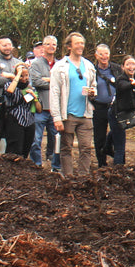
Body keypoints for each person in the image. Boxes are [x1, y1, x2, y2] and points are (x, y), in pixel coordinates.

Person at [49, 32, 96, 177]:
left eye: (82, 43)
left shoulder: (88, 65)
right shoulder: (60, 66)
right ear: (70, 46)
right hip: (67, 114)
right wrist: (56, 117)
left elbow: (94, 85)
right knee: (66, 147)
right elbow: (54, 92)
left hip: (85, 113)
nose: (80, 46)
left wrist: (93, 92)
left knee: (86, 148)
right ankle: (68, 177)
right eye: (77, 43)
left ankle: (83, 177)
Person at [0, 37, 23, 154]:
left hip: (14, 107)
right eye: (4, 45)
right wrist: (14, 77)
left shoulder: (17, 62)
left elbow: (24, 81)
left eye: (9, 45)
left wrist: (8, 75)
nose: (7, 48)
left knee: (12, 140)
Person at [29, 35, 60, 172]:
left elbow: (62, 84)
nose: (51, 47)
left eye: (54, 44)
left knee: (56, 140)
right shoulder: (36, 64)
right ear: (43, 47)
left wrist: (48, 80)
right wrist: (52, 81)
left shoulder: (60, 64)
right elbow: (36, 82)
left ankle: (55, 166)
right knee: (36, 139)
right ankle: (36, 164)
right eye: (48, 44)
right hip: (40, 108)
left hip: (55, 109)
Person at [109, 55, 135, 164]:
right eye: (128, 64)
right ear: (122, 67)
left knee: (116, 134)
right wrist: (131, 84)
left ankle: (105, 147)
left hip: (126, 114)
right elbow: (122, 86)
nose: (131, 66)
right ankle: (118, 169)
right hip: (116, 114)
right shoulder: (121, 79)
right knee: (120, 145)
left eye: (133, 64)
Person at [0, 61, 36, 157]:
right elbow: (10, 91)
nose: (24, 78)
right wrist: (18, 74)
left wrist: (34, 98)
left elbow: (38, 108)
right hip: (15, 119)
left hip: (29, 121)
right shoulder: (9, 85)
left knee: (25, 149)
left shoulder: (30, 88)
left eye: (26, 75)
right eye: (22, 76)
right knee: (15, 149)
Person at [91, 43, 118, 168]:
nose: (104, 56)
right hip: (98, 107)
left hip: (114, 107)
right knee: (99, 136)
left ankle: (117, 160)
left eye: (106, 53)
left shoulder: (116, 69)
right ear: (96, 56)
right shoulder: (92, 71)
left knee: (117, 132)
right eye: (101, 54)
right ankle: (101, 163)